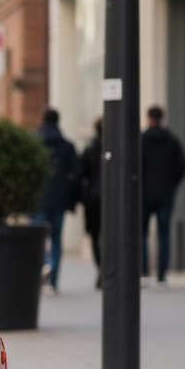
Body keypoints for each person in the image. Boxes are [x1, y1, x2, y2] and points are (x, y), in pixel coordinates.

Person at [32, 106, 79, 295]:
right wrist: (72, 200)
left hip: (38, 200)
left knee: (39, 240)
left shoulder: (33, 143)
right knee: (57, 239)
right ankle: (53, 282)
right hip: (59, 200)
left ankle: (45, 265)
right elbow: (76, 175)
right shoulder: (67, 146)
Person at [142, 105, 185, 286]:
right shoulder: (172, 140)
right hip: (165, 194)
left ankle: (144, 272)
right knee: (163, 235)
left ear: (148, 118)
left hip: (144, 194)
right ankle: (161, 276)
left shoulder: (141, 140)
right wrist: (171, 183)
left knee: (142, 234)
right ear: (162, 118)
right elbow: (183, 166)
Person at [79, 118, 103, 288]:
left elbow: (81, 176)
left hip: (93, 199)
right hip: (114, 200)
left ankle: (101, 268)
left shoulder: (90, 150)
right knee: (112, 236)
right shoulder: (118, 149)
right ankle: (107, 270)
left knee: (95, 237)